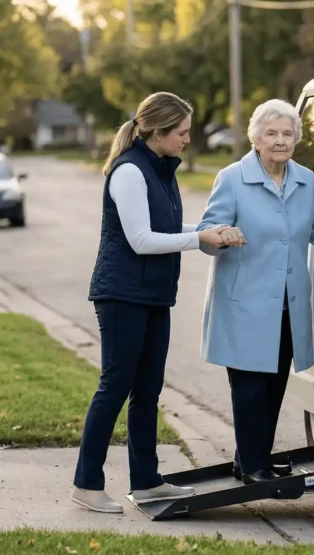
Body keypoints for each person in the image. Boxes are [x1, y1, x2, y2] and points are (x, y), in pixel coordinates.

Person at [196, 98, 314, 484]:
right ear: (256, 139)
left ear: (296, 139)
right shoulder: (232, 179)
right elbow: (206, 234)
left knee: (273, 386)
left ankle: (251, 459)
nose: (280, 141)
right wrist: (222, 236)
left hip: (288, 305)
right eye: (271, 133)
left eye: (287, 133)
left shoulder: (304, 180)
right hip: (245, 306)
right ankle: (254, 466)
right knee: (250, 389)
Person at [73, 92, 245, 514]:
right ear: (158, 132)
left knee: (148, 389)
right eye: (182, 132)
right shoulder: (129, 171)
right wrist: (198, 238)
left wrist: (210, 231)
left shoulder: (160, 169)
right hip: (122, 295)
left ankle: (147, 482)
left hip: (152, 294)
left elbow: (164, 226)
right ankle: (87, 484)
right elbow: (141, 239)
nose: (187, 139)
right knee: (116, 386)